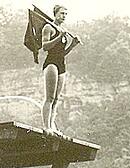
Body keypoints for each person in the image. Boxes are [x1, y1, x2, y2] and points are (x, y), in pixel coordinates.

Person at [40, 4, 81, 135]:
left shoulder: (63, 31)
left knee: (57, 99)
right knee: (50, 97)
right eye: (62, 13)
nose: (64, 16)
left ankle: (52, 125)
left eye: (65, 14)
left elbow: (61, 53)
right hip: (51, 63)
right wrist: (59, 36)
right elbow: (45, 47)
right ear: (55, 14)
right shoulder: (48, 27)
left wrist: (72, 45)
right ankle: (47, 127)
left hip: (61, 64)